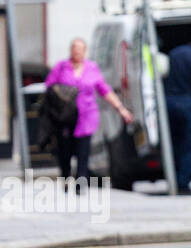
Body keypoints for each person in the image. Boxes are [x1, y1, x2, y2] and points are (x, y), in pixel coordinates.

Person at [44, 37, 132, 184]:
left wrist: (121, 109)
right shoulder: (61, 67)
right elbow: (49, 88)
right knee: (65, 152)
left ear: (85, 51)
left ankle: (80, 183)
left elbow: (104, 90)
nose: (77, 52)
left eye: (80, 49)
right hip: (64, 117)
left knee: (83, 152)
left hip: (86, 117)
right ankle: (66, 179)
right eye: (74, 48)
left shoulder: (92, 68)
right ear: (70, 50)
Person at [162, 39, 191, 193]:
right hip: (187, 103)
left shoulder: (174, 53)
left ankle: (173, 176)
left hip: (168, 103)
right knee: (188, 144)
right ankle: (182, 181)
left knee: (173, 142)